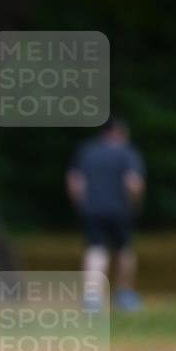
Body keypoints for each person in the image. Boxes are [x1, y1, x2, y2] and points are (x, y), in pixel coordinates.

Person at [66, 117, 146, 311]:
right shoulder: (127, 153)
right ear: (121, 132)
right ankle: (124, 294)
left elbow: (75, 182)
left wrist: (81, 205)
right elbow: (133, 183)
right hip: (121, 210)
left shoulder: (87, 151)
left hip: (93, 210)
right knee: (124, 250)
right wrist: (136, 204)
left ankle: (92, 298)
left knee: (95, 250)